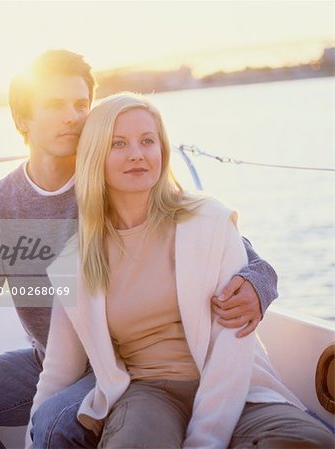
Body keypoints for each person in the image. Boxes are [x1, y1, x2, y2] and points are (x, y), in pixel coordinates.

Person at [0, 50, 278, 449]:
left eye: (81, 104)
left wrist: (257, 281)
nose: (73, 116)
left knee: (54, 424)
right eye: (54, 105)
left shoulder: (120, 177)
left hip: (119, 361)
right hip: (49, 360)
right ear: (21, 120)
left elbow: (223, 241)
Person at [26, 93, 333, 449]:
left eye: (147, 141)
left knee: (306, 442)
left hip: (237, 386)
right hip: (147, 394)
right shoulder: (74, 261)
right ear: (96, 156)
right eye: (119, 144)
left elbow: (230, 347)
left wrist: (205, 440)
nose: (137, 154)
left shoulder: (209, 220)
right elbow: (58, 373)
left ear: (162, 150)